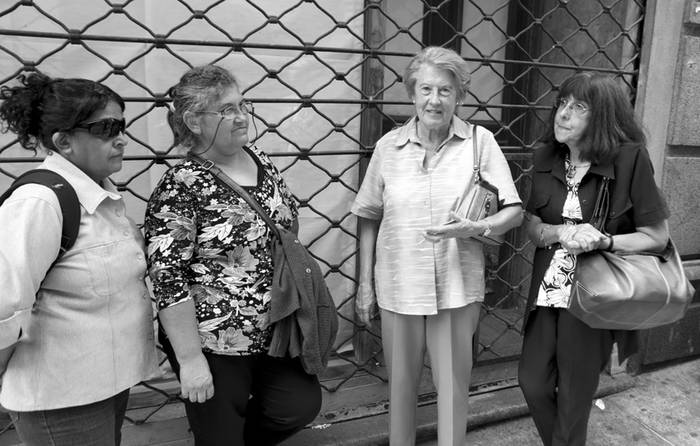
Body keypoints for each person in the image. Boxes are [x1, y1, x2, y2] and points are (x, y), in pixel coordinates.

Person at [351, 46, 523, 446]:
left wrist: (476, 226)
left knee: (452, 389)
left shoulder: (480, 143)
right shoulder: (387, 148)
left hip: (456, 286)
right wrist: (364, 285)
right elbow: (368, 215)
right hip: (399, 284)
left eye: (445, 90)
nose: (435, 99)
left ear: (459, 96)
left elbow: (513, 210)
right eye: (426, 88)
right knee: (401, 389)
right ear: (412, 93)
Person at [144, 64, 321, 446]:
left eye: (243, 104)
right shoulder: (181, 186)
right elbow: (168, 277)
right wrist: (191, 360)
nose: (242, 116)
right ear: (193, 120)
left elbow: (285, 226)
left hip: (276, 327)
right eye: (227, 109)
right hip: (214, 340)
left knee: (298, 405)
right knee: (219, 434)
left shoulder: (259, 159)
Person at [0, 73, 157, 445]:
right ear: (64, 141)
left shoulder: (100, 194)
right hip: (61, 398)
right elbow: (4, 307)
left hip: (104, 385)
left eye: (121, 125)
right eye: (105, 128)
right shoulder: (39, 202)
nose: (120, 138)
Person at [518, 72, 670, 446]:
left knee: (573, 397)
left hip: (595, 295)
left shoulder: (630, 160)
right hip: (548, 291)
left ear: (600, 117)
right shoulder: (545, 157)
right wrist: (559, 233)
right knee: (532, 381)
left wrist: (604, 240)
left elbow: (656, 237)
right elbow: (533, 227)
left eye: (579, 108)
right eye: (563, 103)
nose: (563, 114)